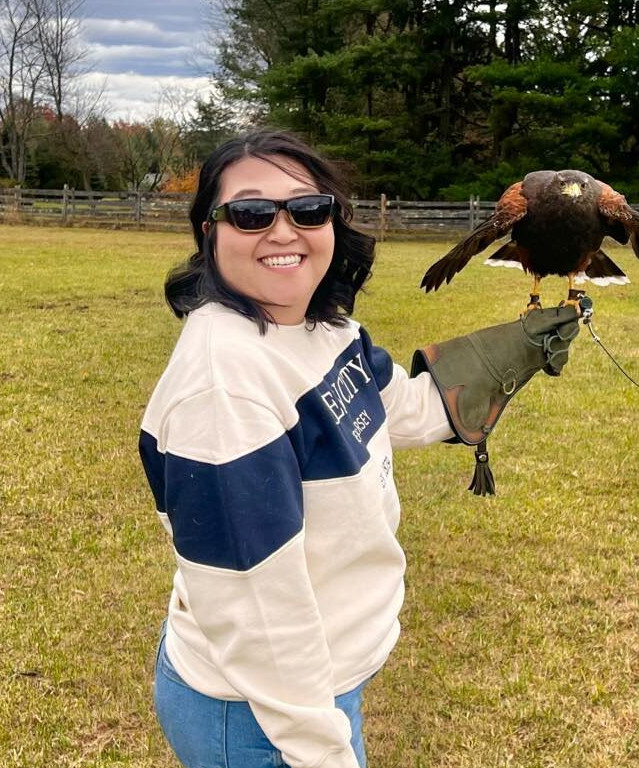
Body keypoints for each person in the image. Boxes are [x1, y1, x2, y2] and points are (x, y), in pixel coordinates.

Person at [138, 129, 580, 768]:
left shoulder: (323, 325)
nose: (284, 231)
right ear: (210, 232)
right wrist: (322, 751)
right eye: (252, 213)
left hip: (320, 686)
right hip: (261, 714)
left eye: (308, 209)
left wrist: (517, 348)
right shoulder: (224, 389)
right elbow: (256, 612)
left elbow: (402, 411)